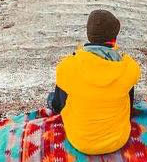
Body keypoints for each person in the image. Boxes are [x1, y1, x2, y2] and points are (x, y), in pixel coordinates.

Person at [47, 9, 141, 155]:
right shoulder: (129, 68)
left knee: (55, 96)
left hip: (79, 141)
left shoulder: (67, 66)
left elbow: (58, 106)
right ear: (114, 39)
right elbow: (130, 103)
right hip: (118, 140)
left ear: (89, 35)